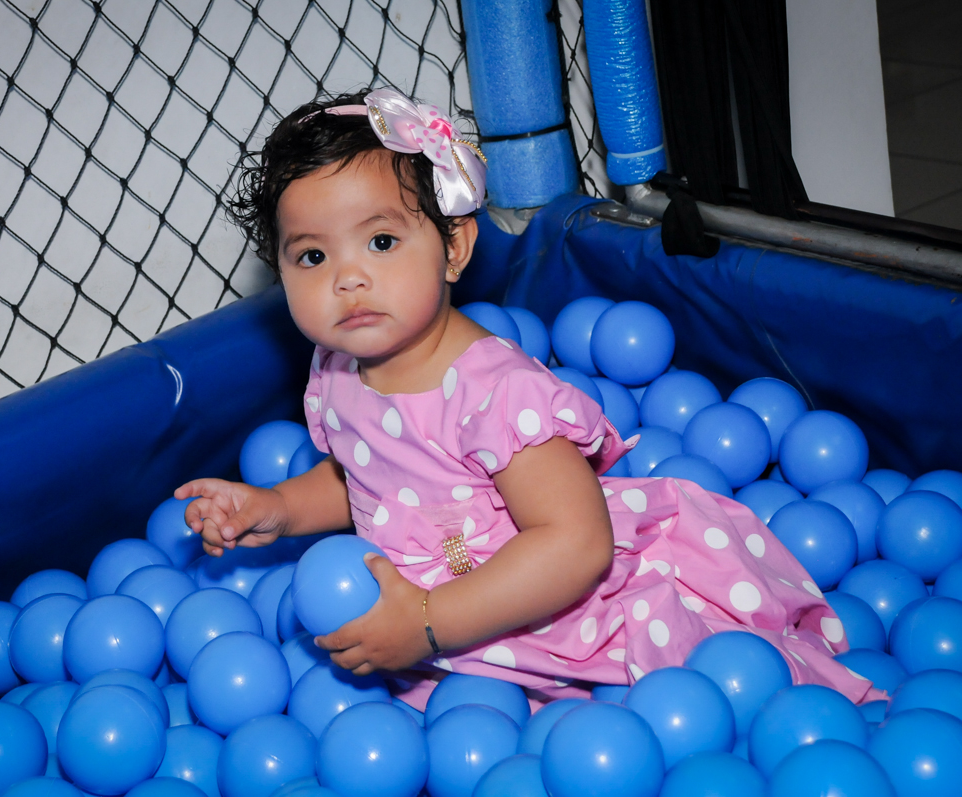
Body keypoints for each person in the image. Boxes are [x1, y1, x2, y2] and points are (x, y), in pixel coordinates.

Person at [175, 87, 879, 708]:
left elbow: (575, 542)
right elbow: (362, 479)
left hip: (542, 608)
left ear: (454, 246)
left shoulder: (496, 394)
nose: (347, 278)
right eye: (312, 256)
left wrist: (426, 621)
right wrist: (277, 506)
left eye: (382, 240)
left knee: (680, 696)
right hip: (427, 615)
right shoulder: (335, 371)